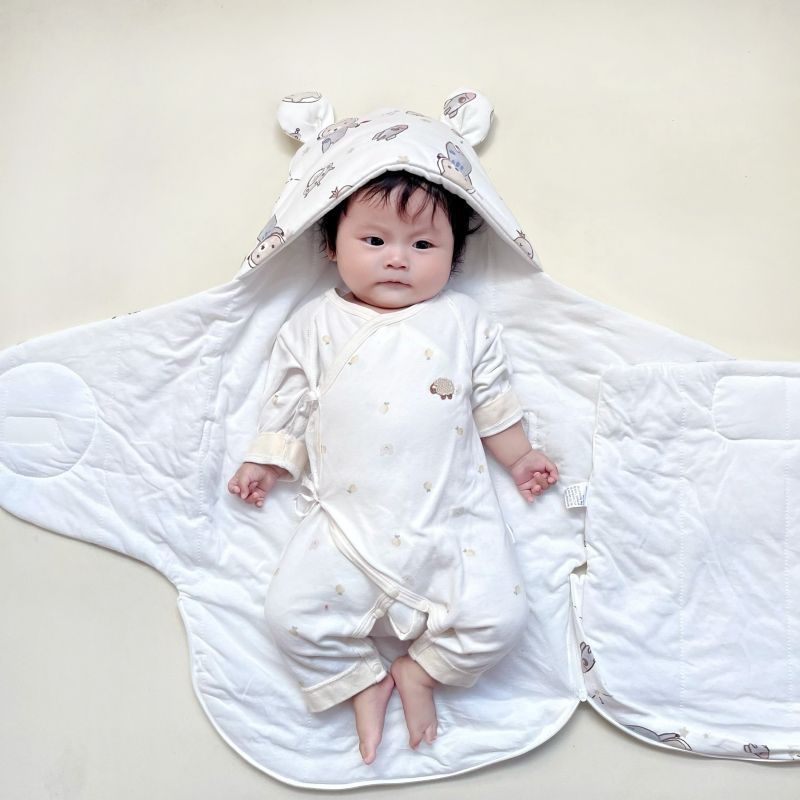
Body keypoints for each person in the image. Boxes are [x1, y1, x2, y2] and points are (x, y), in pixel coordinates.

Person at [228, 171, 558, 764]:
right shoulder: (313, 324)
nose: (398, 259)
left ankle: (420, 672)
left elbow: (492, 402)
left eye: (423, 244)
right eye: (375, 241)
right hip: (345, 527)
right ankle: (363, 681)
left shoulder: (462, 322)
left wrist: (521, 457)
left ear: (455, 255)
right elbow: (288, 403)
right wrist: (266, 462)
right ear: (331, 246)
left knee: (501, 621)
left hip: (451, 524)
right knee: (288, 618)